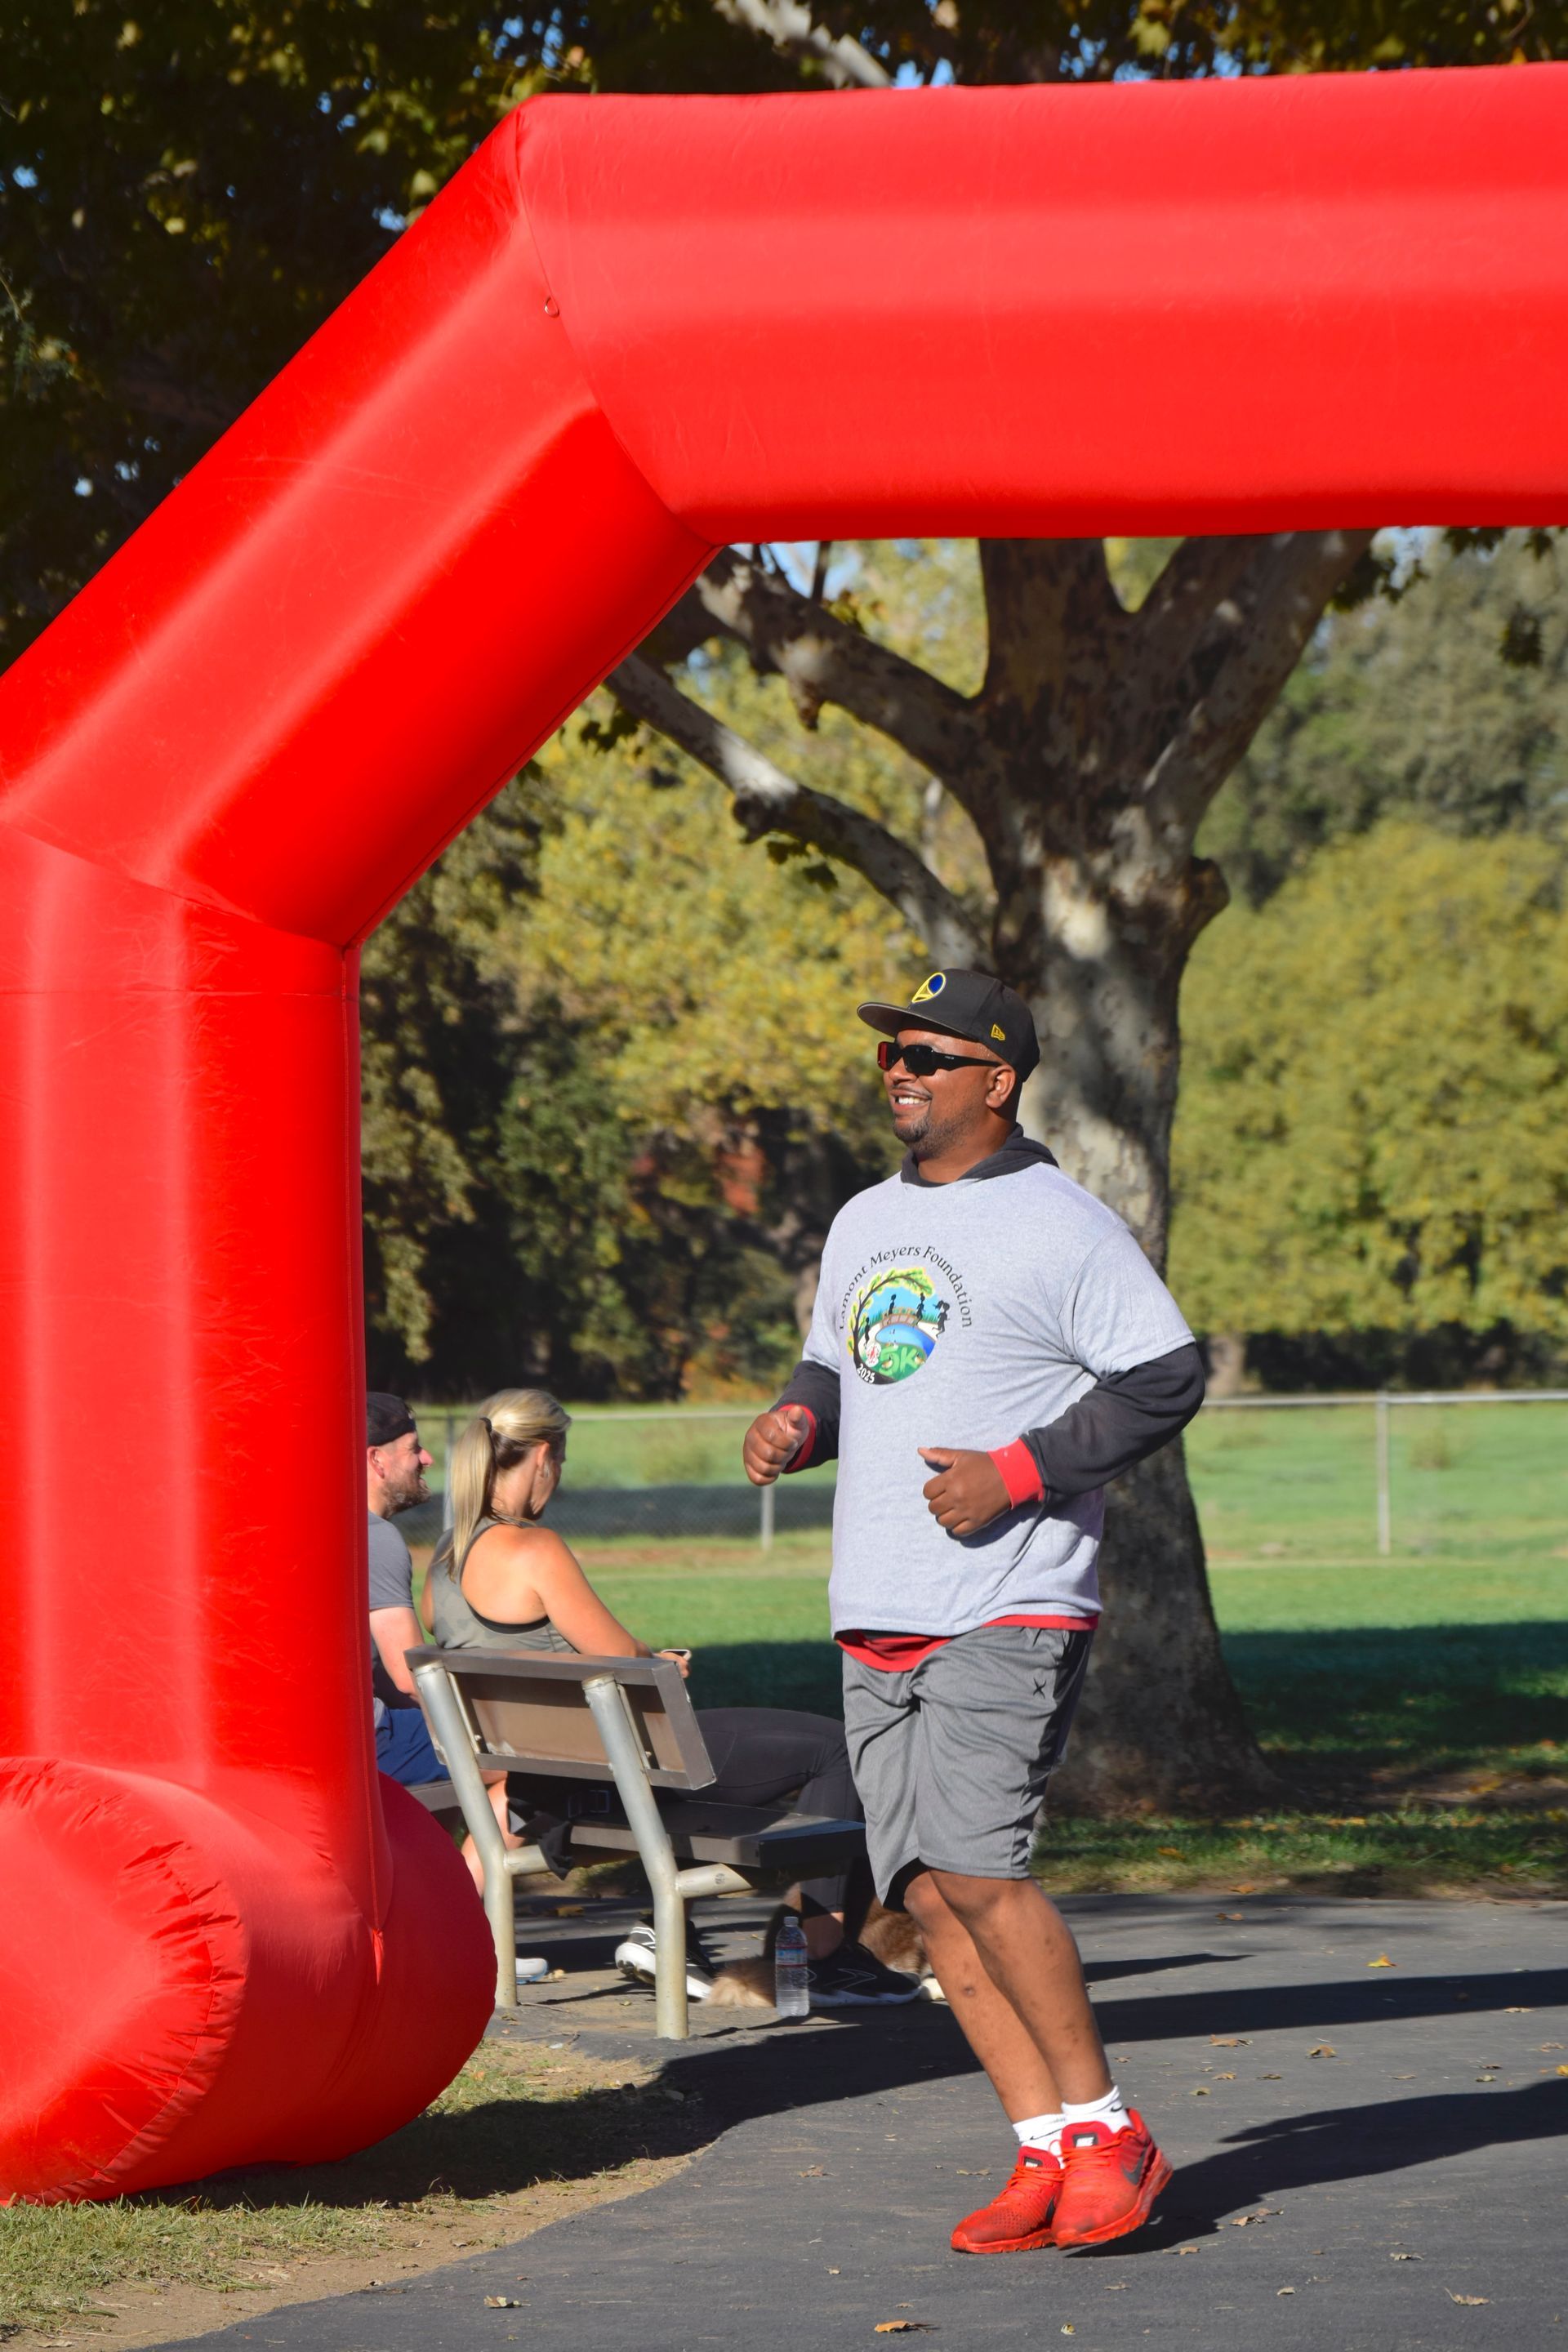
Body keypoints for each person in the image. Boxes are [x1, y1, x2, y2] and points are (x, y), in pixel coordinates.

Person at [742, 969, 1206, 2255]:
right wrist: (801, 1416)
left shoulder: (1064, 1227)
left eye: (928, 1054)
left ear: (996, 1081)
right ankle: (1045, 2149)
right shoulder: (859, 1221)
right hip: (878, 1601)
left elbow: (1167, 1376)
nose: (899, 1069)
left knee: (986, 1877)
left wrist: (1018, 1471)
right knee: (928, 1904)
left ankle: (1113, 2132)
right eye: (891, 1051)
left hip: (1010, 1598)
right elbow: (845, 1360)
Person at [421, 1387, 918, 2007]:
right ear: (543, 1456)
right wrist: (658, 1660)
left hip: (540, 1785)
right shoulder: (533, 1549)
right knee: (837, 1749)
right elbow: (622, 1659)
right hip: (616, 1775)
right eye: (562, 1463)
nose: (558, 1479)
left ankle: (682, 1932)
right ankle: (823, 1956)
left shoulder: (442, 1562)